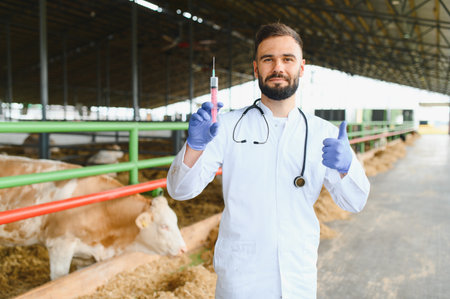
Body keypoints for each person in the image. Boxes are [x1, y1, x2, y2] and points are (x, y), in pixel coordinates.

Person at [167, 23, 370, 299]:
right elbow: (180, 190)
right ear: (255, 68)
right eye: (268, 59)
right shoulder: (226, 126)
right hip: (240, 278)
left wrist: (346, 168)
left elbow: (355, 202)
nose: (278, 67)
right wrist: (194, 146)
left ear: (302, 67)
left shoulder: (323, 133)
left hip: (297, 277)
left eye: (288, 59)